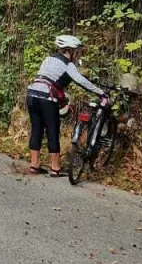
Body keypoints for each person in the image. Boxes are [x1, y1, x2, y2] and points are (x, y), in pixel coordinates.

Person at [26, 34, 106, 176]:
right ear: (70, 50)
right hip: (47, 97)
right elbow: (80, 80)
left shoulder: (48, 58)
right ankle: (55, 168)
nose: (77, 54)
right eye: (76, 50)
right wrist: (100, 92)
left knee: (37, 129)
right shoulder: (68, 65)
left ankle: (34, 165)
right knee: (52, 130)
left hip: (32, 94)